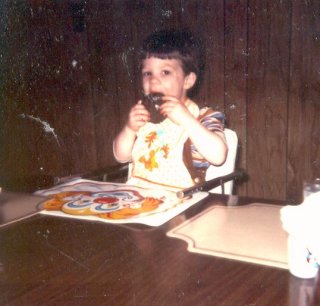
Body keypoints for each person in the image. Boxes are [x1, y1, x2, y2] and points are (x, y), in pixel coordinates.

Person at [113, 29, 227, 191]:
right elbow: (121, 156)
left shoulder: (203, 116)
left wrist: (186, 119)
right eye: (147, 73)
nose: (153, 80)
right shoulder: (144, 114)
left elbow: (218, 156)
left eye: (165, 72)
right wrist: (129, 128)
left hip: (182, 203)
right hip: (138, 199)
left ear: (187, 80)